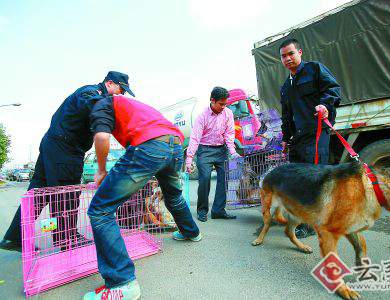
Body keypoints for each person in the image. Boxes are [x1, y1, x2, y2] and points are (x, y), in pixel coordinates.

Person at [0, 71, 134, 252]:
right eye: (121, 90)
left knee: (38, 193)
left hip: (55, 145)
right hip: (65, 149)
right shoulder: (91, 93)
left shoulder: (92, 94)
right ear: (109, 83)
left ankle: (14, 237)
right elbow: (95, 105)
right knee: (66, 194)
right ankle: (66, 238)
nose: (121, 95)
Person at [83, 94, 201, 300]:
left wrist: (101, 170)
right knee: (173, 196)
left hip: (150, 145)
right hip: (174, 144)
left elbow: (101, 137)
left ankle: (122, 283)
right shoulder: (132, 104)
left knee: (100, 210)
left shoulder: (101, 103)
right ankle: (192, 232)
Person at [278, 38, 341, 238]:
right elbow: (286, 115)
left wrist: (325, 105)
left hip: (316, 133)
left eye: (291, 54)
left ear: (300, 52)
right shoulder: (285, 87)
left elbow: (333, 89)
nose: (287, 58)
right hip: (296, 139)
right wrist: (285, 137)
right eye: (283, 56)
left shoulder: (314, 70)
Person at [185, 87, 239, 222]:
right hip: (205, 150)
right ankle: (202, 210)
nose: (223, 107)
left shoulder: (228, 114)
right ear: (212, 101)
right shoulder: (202, 116)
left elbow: (229, 133)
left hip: (221, 150)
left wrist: (232, 151)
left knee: (224, 179)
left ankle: (218, 211)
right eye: (221, 104)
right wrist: (189, 159)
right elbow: (195, 138)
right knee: (204, 179)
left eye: (225, 104)